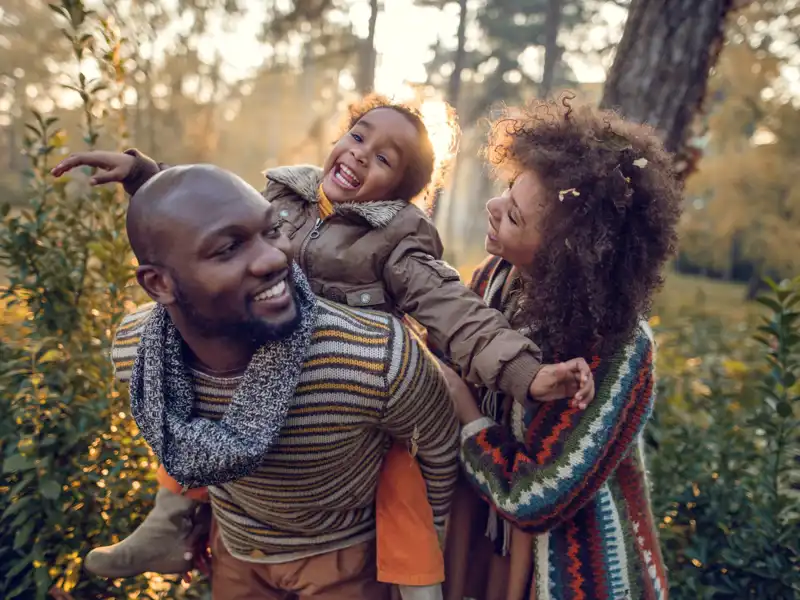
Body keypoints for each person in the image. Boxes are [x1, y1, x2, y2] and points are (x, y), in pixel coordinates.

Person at [52, 94, 594, 599]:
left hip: (348, 389)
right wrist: (147, 176)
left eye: (384, 160)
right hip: (259, 351)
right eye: (358, 137)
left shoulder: (394, 241)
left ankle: (417, 582)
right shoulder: (287, 196)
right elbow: (210, 220)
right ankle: (169, 521)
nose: (360, 157)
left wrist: (526, 372)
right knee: (181, 384)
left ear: (400, 192)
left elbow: (453, 309)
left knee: (403, 486)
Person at [100, 162, 460, 599]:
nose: (275, 257)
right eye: (229, 248)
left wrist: (423, 545)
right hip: (236, 551)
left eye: (272, 232)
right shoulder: (138, 353)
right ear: (158, 284)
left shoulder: (375, 358)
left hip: (345, 558)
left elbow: (438, 452)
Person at [440, 97, 681, 600]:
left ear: (566, 256)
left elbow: (537, 497)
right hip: (490, 552)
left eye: (515, 217)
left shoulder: (617, 349)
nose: (494, 207)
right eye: (508, 190)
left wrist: (466, 411)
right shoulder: (498, 278)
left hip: (573, 573)